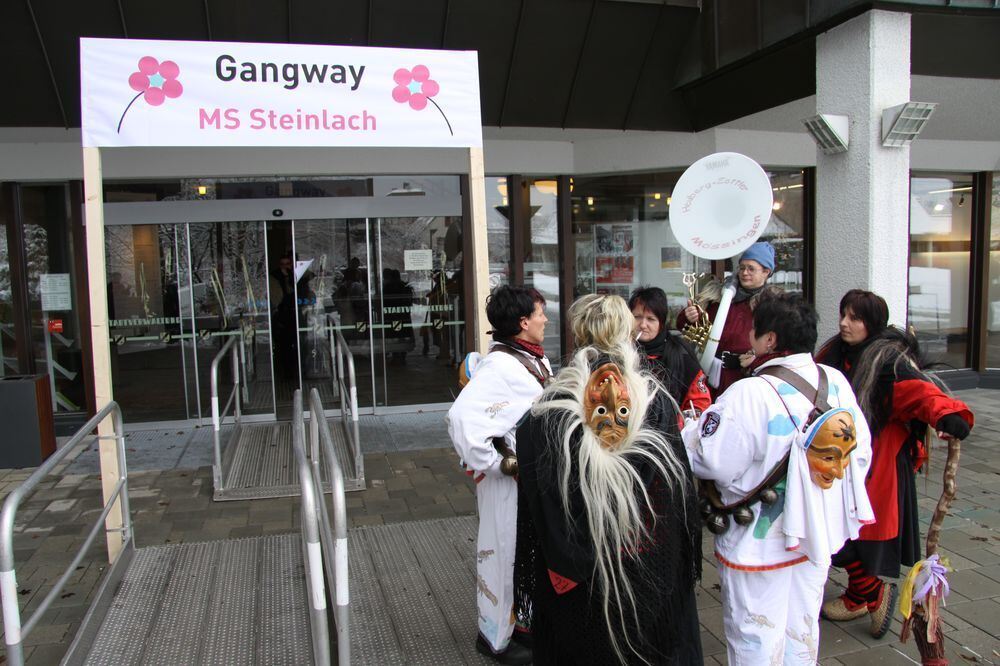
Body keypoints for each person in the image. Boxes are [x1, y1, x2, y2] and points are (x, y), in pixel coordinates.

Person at [682, 291, 874, 665]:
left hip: (758, 543)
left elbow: (711, 460)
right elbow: (860, 451)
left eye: (755, 330)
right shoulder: (833, 381)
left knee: (754, 635)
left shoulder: (750, 393)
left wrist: (692, 430)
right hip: (816, 534)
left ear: (770, 340)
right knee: (802, 632)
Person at [516, 294, 703, 664]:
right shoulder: (655, 401)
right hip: (646, 568)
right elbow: (674, 493)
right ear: (628, 332)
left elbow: (538, 500)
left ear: (577, 333)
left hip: (573, 581)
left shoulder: (546, 411)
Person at [816, 289, 974, 638]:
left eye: (854, 317)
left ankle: (865, 593)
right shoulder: (834, 352)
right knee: (824, 524)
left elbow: (920, 393)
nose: (844, 323)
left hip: (877, 460)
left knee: (849, 531)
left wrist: (948, 416)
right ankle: (865, 594)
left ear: (872, 323)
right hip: (833, 454)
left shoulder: (888, 361)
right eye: (843, 314)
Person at [447, 285, 552, 665]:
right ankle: (494, 638)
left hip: (524, 485)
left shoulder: (528, 357)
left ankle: (519, 624)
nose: (545, 318)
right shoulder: (501, 366)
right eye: (540, 313)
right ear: (523, 323)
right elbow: (461, 420)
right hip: (505, 485)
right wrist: (496, 464)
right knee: (500, 554)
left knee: (521, 554)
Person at [677, 240, 776, 395]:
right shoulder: (717, 295)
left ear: (766, 272)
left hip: (744, 378)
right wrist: (689, 317)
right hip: (707, 374)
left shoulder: (772, 305)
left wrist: (756, 361)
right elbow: (685, 327)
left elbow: (779, 345)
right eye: (742, 267)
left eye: (751, 269)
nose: (744, 273)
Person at [629, 286, 711, 425]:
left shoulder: (680, 354)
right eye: (637, 317)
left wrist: (674, 425)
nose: (643, 325)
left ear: (661, 323)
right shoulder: (621, 352)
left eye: (651, 319)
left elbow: (699, 403)